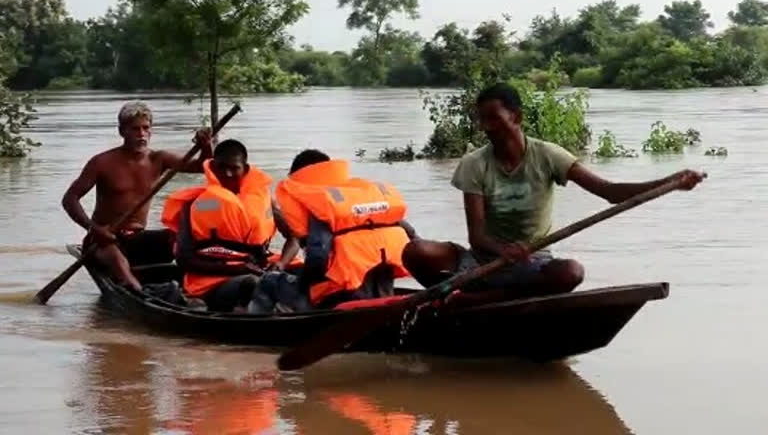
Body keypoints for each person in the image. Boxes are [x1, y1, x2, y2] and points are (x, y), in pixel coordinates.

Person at [402, 82, 705, 297]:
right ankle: (456, 301)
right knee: (416, 252)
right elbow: (476, 235)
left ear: (517, 117)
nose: (487, 127)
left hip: (531, 262)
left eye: (494, 118)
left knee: (571, 272)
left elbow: (610, 192)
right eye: (483, 120)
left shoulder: (548, 155)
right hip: (480, 262)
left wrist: (670, 182)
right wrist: (501, 250)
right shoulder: (474, 164)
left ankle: (488, 300)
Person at [62, 101, 213, 291]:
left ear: (151, 131)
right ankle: (136, 289)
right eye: (134, 129)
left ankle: (200, 282)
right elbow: (70, 199)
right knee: (115, 258)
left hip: (137, 239)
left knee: (179, 238)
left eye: (145, 128)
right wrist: (94, 229)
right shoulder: (101, 163)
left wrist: (205, 147)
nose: (141, 134)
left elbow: (201, 167)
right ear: (122, 131)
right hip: (104, 241)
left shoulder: (158, 159)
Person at [249, 149, 415, 313]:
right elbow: (413, 238)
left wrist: (303, 283)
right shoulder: (369, 203)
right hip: (382, 291)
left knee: (269, 281)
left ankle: (254, 332)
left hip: (336, 300)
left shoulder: (321, 206)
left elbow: (318, 256)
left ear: (300, 179)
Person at [161, 139, 300, 312]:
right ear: (213, 168)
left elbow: (294, 238)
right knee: (252, 283)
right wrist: (236, 270)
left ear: (245, 169)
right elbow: (184, 260)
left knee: (307, 272)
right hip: (211, 283)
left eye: (234, 168)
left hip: (258, 268)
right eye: (221, 167)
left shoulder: (264, 199)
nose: (227, 174)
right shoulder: (193, 204)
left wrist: (281, 265)